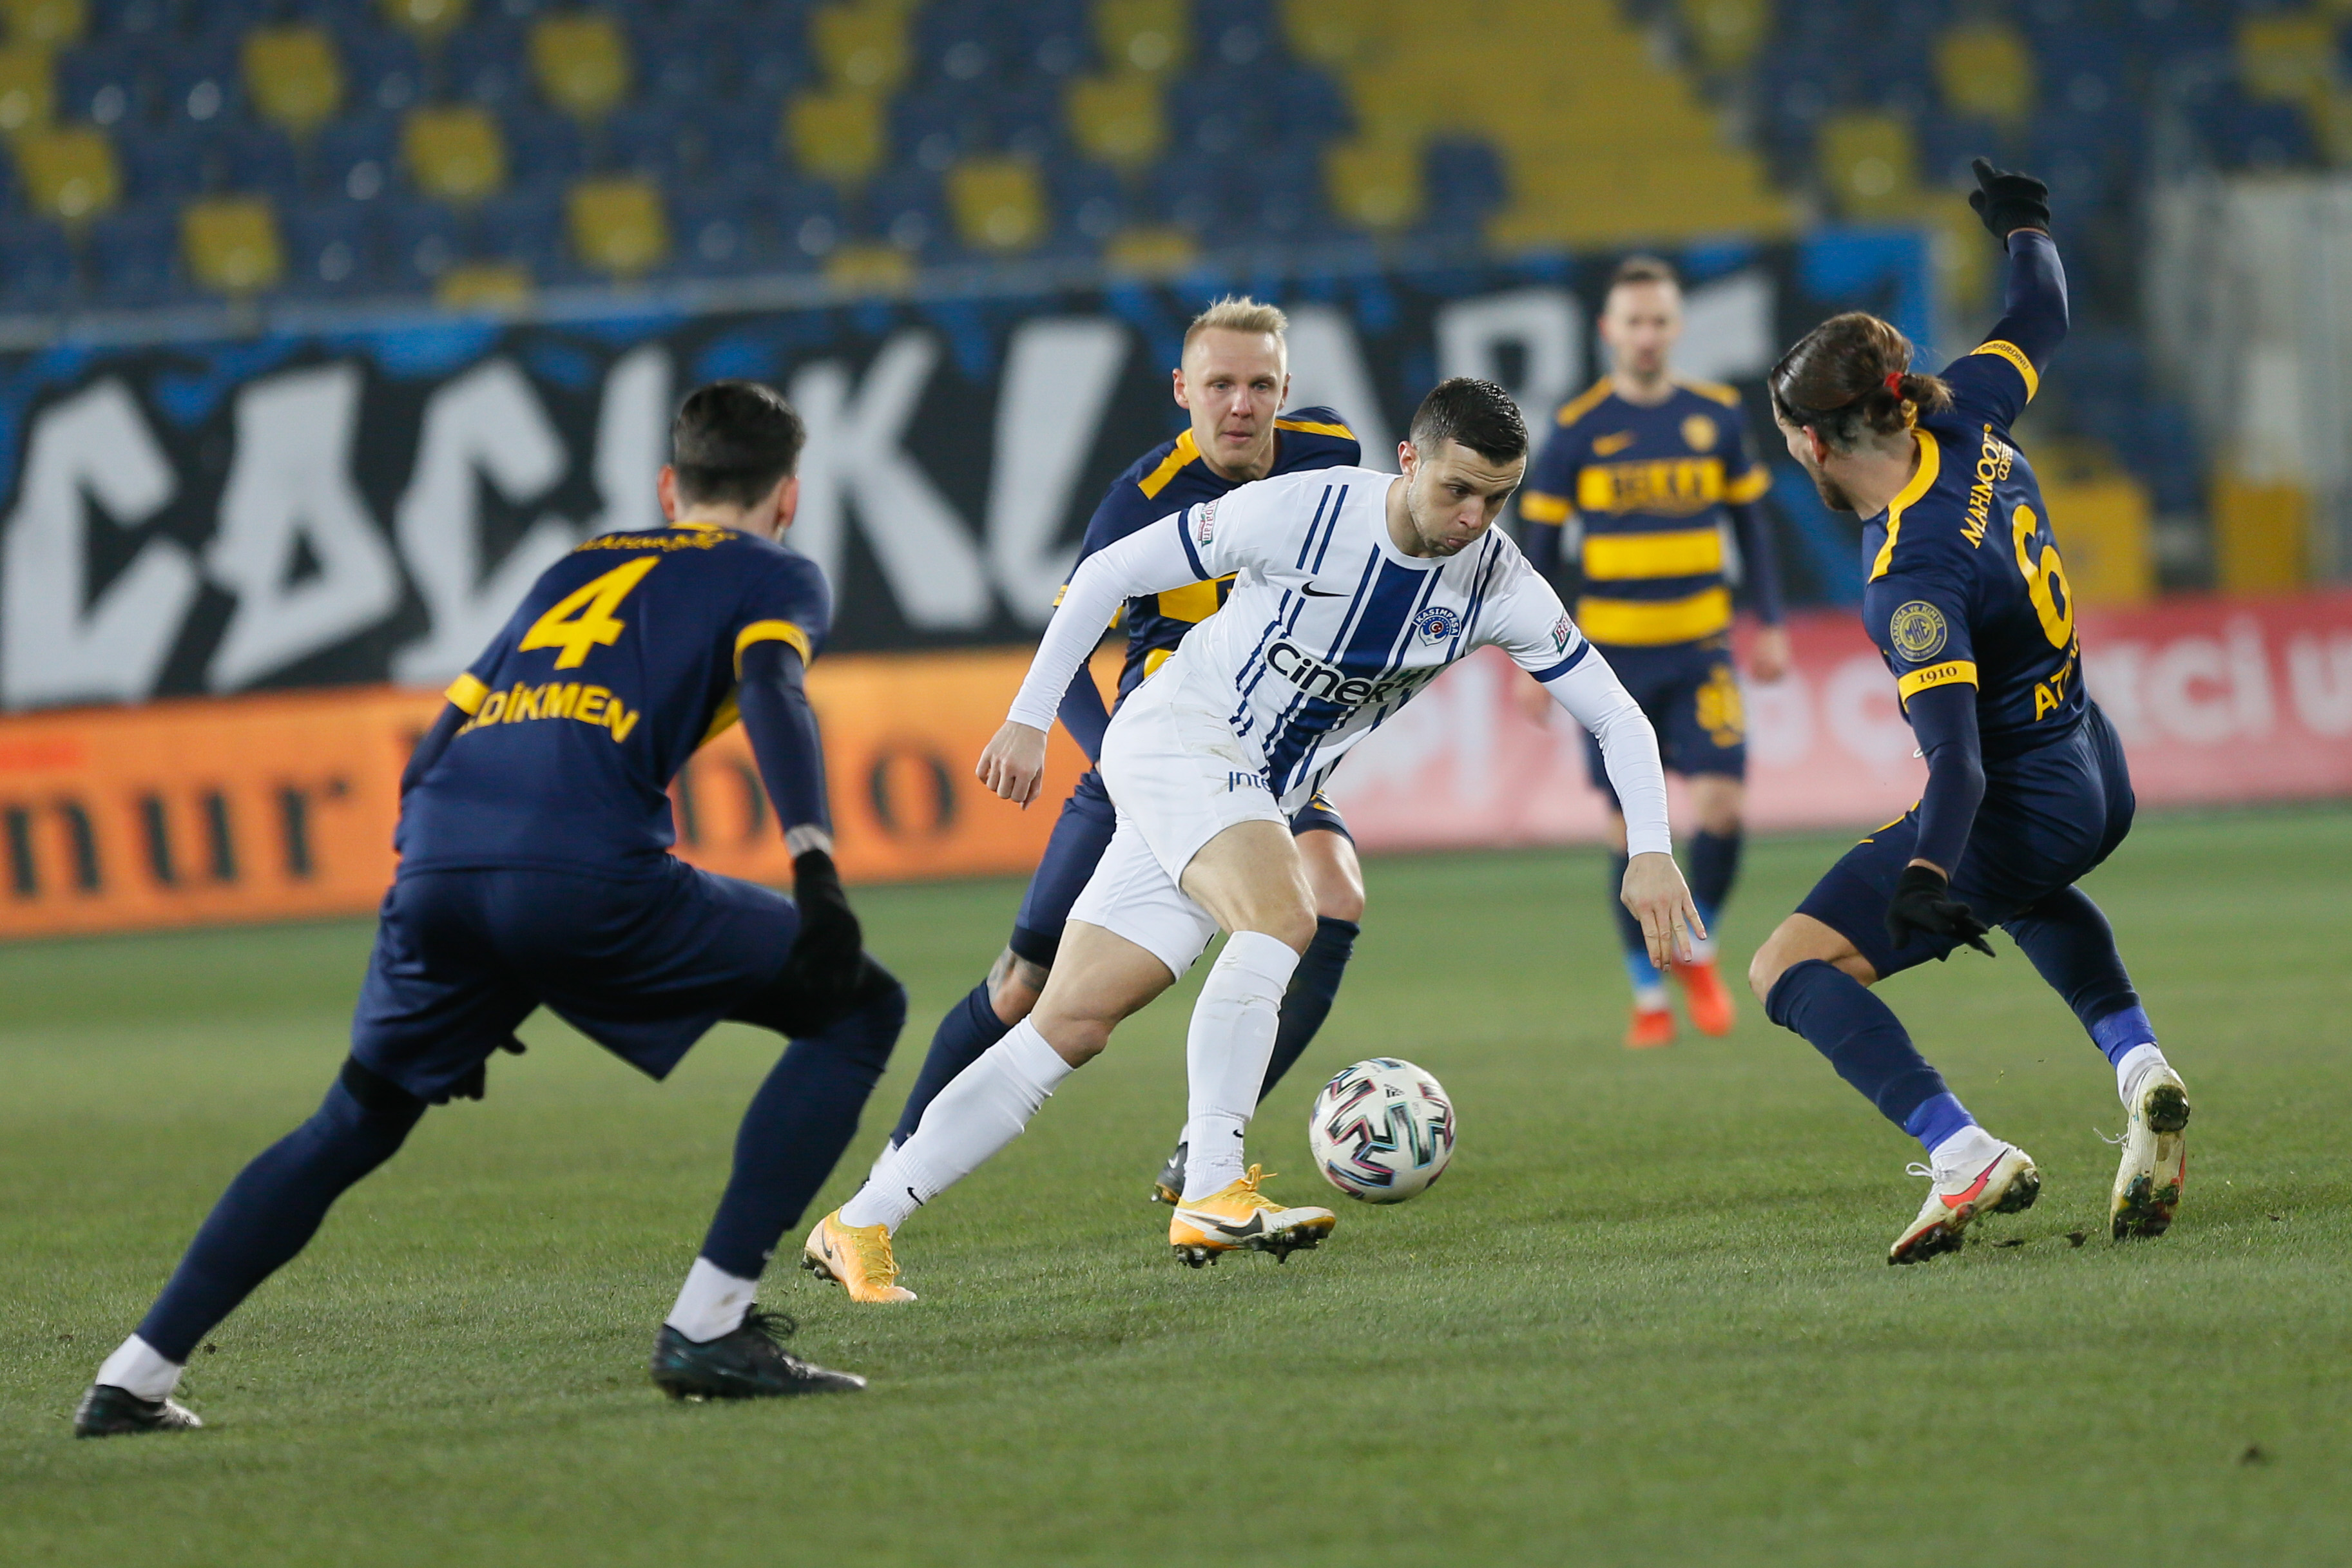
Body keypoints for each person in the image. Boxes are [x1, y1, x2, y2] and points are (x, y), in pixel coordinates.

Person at [73, 382, 905, 1436]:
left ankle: (133, 1376)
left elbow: (437, 739)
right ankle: (710, 1323)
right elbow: (775, 689)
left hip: (436, 864)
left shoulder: (575, 566)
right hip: (578, 873)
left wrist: (459, 935)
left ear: (668, 487)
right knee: (858, 1006)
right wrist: (814, 862)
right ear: (789, 496)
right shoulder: (774, 572)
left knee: (352, 1119)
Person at [800, 378, 1698, 1296]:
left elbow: (1616, 716)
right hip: (1180, 734)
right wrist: (1030, 716)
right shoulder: (1303, 512)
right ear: (1408, 460)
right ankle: (1212, 1185)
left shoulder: (1497, 582)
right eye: (1456, 489)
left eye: (1495, 498)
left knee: (1066, 1024)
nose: (1473, 517)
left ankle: (860, 1221)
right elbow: (1108, 572)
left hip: (1240, 792)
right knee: (1282, 913)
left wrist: (1651, 848)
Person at [1747, 160, 2189, 1265]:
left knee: (1787, 968)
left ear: (1813, 442)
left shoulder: (1910, 575)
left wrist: (1925, 874)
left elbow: (1958, 769)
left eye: (1789, 435)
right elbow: (2041, 313)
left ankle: (1961, 1150)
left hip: (2026, 795)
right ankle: (2142, 1067)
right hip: (2097, 765)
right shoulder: (1966, 411)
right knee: (2029, 895)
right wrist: (2026, 222)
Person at [863, 297, 1367, 1232]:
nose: (1240, 405)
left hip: (1267, 752)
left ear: (1285, 389)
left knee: (1331, 894)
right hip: (1156, 752)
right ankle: (894, 1163)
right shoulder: (1139, 500)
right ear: (1183, 390)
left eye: (1259, 384)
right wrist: (1125, 767)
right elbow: (1069, 641)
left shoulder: (1330, 454)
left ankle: (1208, 1151)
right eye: (1219, 384)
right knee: (1025, 984)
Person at [1516, 256, 1789, 1049]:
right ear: (1609, 331)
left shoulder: (1716, 417)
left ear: (1676, 328)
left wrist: (1769, 622)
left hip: (1701, 648)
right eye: (1632, 321)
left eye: (1658, 321)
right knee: (1625, 831)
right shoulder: (1577, 427)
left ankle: (1696, 948)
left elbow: (1751, 527)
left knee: (1722, 809)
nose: (1645, 335)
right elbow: (1538, 550)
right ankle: (1647, 990)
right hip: (1611, 665)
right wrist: (1533, 660)